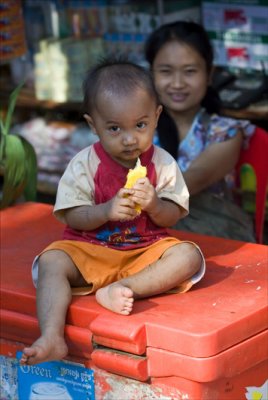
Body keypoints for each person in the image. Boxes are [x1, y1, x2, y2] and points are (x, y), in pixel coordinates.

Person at [20, 58, 206, 366]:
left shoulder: (162, 163)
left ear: (157, 117)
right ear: (93, 125)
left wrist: (155, 205)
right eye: (115, 128)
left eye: (140, 125)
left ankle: (123, 288)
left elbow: (173, 216)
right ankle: (52, 336)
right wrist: (105, 211)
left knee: (189, 256)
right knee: (52, 260)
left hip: (145, 251)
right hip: (91, 250)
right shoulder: (84, 164)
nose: (130, 138)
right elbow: (72, 216)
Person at [144, 21, 256, 242]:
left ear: (209, 73)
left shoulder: (224, 131)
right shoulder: (141, 129)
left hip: (213, 238)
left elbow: (196, 177)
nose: (177, 83)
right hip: (150, 237)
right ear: (151, 73)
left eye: (190, 71)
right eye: (166, 71)